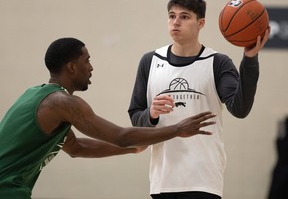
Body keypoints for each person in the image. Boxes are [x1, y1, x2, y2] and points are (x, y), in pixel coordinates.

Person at [0, 37, 217, 199]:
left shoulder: (40, 96)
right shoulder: (62, 103)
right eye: (87, 60)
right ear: (72, 67)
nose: (91, 67)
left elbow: (77, 148)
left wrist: (132, 149)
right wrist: (177, 129)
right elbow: (120, 135)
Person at [128, 0, 270, 199]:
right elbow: (135, 119)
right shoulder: (149, 61)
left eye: (184, 17)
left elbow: (240, 109)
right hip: (162, 181)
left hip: (204, 180)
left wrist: (250, 59)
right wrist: (151, 114)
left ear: (201, 23)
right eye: (171, 16)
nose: (176, 22)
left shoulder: (218, 62)